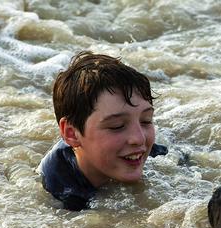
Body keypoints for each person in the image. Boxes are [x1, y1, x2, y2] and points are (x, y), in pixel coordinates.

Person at [38, 51, 168, 210]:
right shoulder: (63, 192)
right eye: (117, 126)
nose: (139, 138)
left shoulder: (147, 150)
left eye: (146, 121)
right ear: (72, 133)